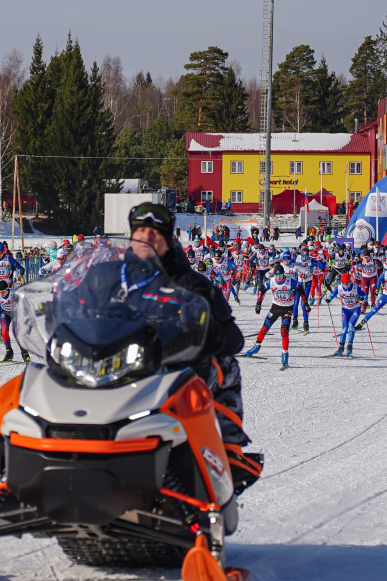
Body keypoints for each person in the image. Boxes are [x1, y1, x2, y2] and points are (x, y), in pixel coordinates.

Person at [125, 202, 261, 493]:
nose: (147, 237)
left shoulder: (192, 285)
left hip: (173, 368)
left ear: (168, 240)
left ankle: (227, 449)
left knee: (225, 367)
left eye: (155, 233)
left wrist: (205, 332)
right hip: (120, 365)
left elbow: (233, 339)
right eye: (141, 232)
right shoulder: (109, 278)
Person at [246, 263, 308, 369]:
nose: (279, 278)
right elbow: (262, 290)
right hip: (275, 307)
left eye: (280, 276)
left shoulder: (290, 281)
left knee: (284, 331)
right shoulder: (272, 281)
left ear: (284, 274)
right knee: (265, 327)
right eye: (276, 276)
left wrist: (306, 303)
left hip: (287, 308)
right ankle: (256, 346)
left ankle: (285, 355)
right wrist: (258, 304)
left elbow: (301, 290)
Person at [357, 260, 387, 340]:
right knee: (374, 310)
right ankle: (361, 323)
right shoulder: (385, 274)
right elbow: (379, 279)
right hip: (385, 296)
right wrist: (377, 289)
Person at [326, 272, 367, 357]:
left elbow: (365, 296)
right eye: (344, 284)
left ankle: (350, 346)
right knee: (344, 329)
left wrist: (362, 298)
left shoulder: (356, 287)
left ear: (350, 282)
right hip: (345, 310)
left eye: (348, 284)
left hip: (355, 309)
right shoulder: (339, 288)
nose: (346, 286)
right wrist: (329, 299)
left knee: (351, 326)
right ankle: (341, 348)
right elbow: (332, 295)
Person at [0, 280, 30, 362]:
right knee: (4, 331)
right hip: (5, 313)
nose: (1, 294)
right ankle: (9, 351)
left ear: (7, 289)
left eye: (3, 292)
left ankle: (24, 352)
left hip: (16, 313)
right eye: (0, 292)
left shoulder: (14, 293)